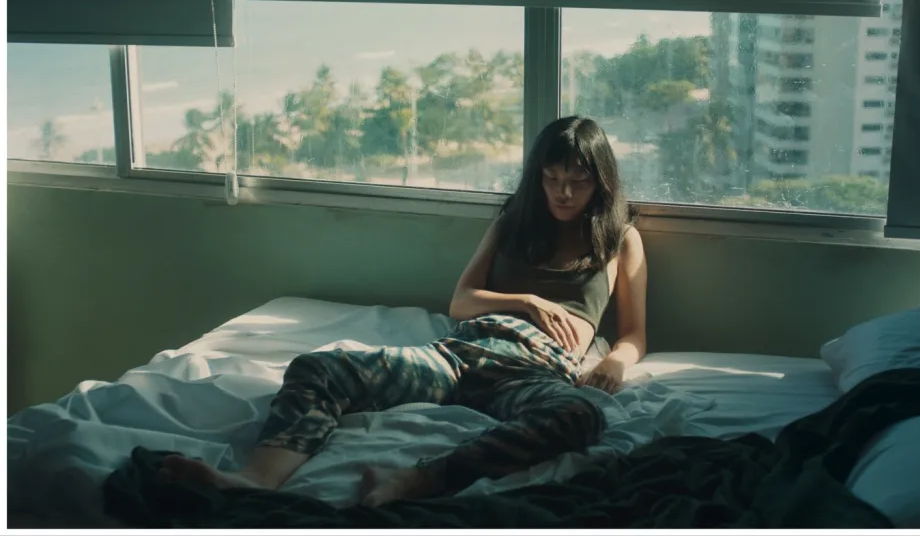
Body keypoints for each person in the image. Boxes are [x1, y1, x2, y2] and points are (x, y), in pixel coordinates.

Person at [158, 115, 648, 506]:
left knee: (578, 415)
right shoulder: (513, 223)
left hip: (534, 366)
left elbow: (634, 334)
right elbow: (461, 302)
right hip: (458, 355)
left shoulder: (619, 239)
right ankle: (255, 478)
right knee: (319, 367)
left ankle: (423, 478)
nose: (563, 193)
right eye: (552, 178)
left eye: (578, 181)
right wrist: (527, 300)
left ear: (599, 182)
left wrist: (614, 361)